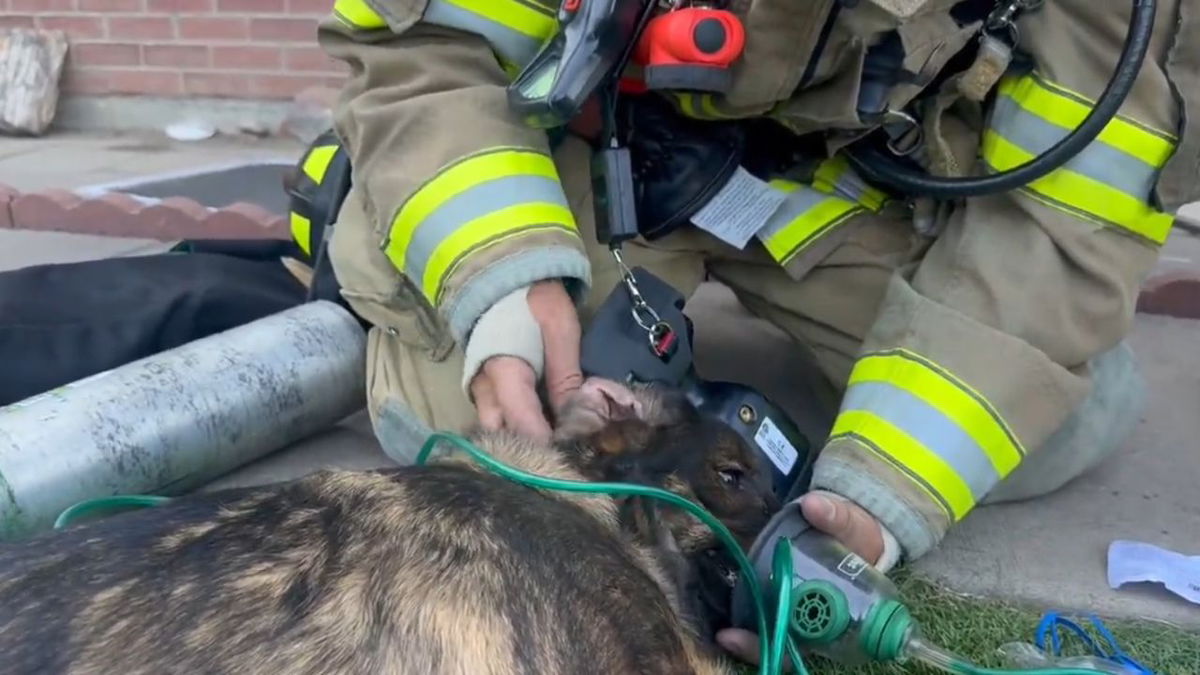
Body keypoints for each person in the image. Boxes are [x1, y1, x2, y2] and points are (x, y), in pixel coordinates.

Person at [314, 0, 1197, 665]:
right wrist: (501, 279)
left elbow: (1068, 214)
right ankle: (372, 210)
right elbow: (427, 50)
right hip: (579, 143)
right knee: (489, 433)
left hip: (833, 183)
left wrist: (879, 497)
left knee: (1057, 427)